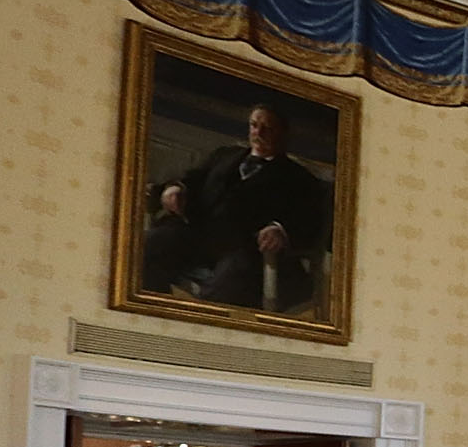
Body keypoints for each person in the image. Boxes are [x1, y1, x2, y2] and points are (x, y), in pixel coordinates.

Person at [142, 103, 335, 312]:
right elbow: (193, 179)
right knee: (150, 245)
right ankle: (154, 314)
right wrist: (175, 188)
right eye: (254, 125)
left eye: (267, 128)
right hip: (199, 235)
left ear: (283, 134)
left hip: (246, 251)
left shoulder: (298, 178)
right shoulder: (226, 155)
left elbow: (309, 220)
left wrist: (279, 229)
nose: (258, 133)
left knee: (229, 281)